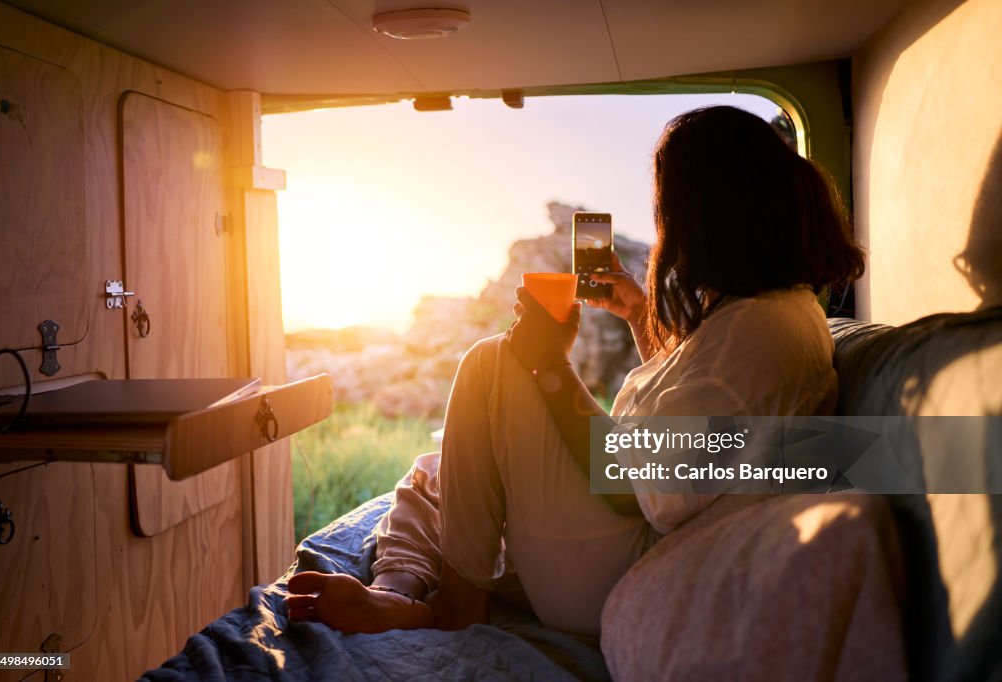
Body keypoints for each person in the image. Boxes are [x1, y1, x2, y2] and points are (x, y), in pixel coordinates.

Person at [284, 105, 866, 635]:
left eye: (666, 208)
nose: (665, 228)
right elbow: (698, 427)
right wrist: (639, 314)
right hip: (620, 552)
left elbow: (644, 488)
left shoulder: (759, 329)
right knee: (441, 472)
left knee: (491, 361)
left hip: (627, 569)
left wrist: (552, 368)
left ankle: (457, 603)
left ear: (704, 214)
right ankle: (397, 591)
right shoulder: (771, 313)